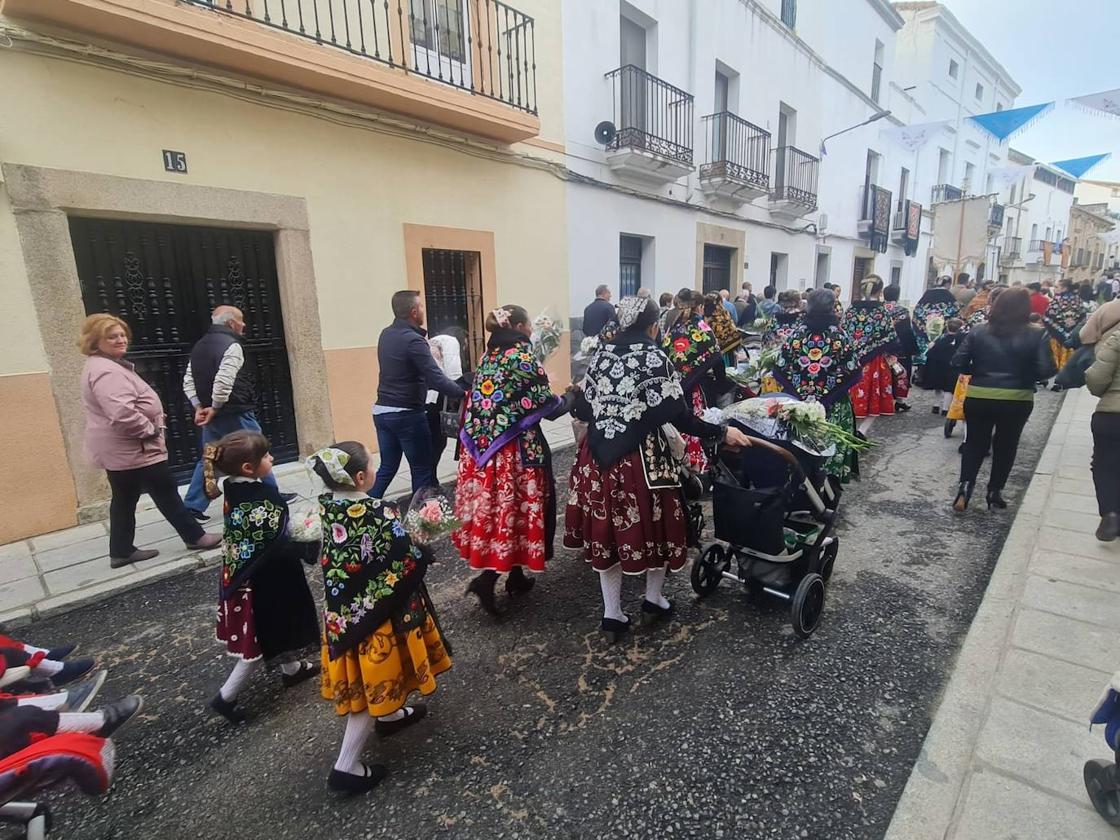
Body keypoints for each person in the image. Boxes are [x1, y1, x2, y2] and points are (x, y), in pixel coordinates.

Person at [564, 298, 751, 642]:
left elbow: (587, 411)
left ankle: (613, 614)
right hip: (642, 458)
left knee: (608, 531)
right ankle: (653, 599)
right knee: (658, 527)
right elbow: (678, 415)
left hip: (598, 459)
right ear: (653, 326)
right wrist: (721, 432)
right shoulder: (654, 357)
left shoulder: (602, 354)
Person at [308, 442, 450, 795]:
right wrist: (427, 533)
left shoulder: (328, 508)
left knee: (376, 672)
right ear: (360, 477)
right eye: (371, 466)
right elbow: (405, 551)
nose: (374, 471)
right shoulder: (378, 511)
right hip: (377, 616)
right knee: (376, 674)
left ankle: (389, 716)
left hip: (343, 611)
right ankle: (346, 767)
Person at [453, 306, 575, 616]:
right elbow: (547, 405)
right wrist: (572, 398)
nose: (533, 330)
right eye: (529, 324)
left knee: (501, 514)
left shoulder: (489, 355)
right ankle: (488, 579)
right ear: (520, 326)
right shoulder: (521, 356)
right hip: (513, 452)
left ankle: (516, 576)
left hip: (482, 451)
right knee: (515, 512)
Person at [79, 314, 220, 567]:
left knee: (124, 496)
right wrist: (149, 430)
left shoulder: (105, 365)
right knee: (165, 490)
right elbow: (121, 412)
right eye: (112, 336)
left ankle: (121, 550)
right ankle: (196, 537)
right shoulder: (106, 371)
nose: (121, 339)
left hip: (122, 449)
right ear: (95, 341)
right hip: (135, 446)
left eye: (122, 334)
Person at [204, 431, 320, 725]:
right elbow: (275, 543)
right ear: (248, 467)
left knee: (279, 626)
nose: (272, 458)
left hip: (251, 575)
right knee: (258, 643)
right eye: (267, 456)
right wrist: (308, 538)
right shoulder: (259, 499)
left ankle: (292, 669)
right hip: (260, 582)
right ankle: (225, 697)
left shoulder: (232, 486)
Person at [950, 287, 1056, 512]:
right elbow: (1047, 370)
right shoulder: (1037, 333)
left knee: (974, 444)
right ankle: (994, 491)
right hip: (1017, 399)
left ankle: (965, 488)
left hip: (979, 395)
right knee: (1006, 445)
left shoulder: (979, 331)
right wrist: (1024, 376)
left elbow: (958, 361)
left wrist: (978, 371)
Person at [183, 306, 287, 520]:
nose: (244, 325)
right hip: (236, 411)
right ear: (231, 323)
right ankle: (273, 494)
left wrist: (199, 408)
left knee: (209, 457)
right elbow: (224, 380)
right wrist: (216, 405)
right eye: (241, 320)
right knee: (258, 450)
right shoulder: (232, 345)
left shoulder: (199, 346)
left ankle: (193, 505)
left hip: (212, 414)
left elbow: (188, 380)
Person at [370, 291, 468, 499]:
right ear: (413, 312)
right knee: (422, 470)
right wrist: (463, 393)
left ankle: (362, 511)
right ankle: (421, 523)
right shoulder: (414, 341)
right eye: (421, 307)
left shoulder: (385, 334)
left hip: (382, 411)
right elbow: (435, 378)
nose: (424, 310)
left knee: (387, 467)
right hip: (407, 414)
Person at [772, 289, 863, 482]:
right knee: (831, 445)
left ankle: (801, 484)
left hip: (798, 406)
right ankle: (830, 487)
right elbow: (852, 369)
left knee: (800, 444)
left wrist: (801, 392)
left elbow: (781, 366)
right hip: (833, 406)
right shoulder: (840, 336)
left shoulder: (797, 334)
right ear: (831, 307)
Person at [662, 290, 727, 472]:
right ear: (699, 307)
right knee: (697, 420)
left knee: (679, 419)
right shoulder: (701, 328)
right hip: (698, 386)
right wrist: (722, 383)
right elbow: (717, 357)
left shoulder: (671, 328)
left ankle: (678, 458)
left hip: (674, 386)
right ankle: (699, 464)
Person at [842, 276, 898, 418]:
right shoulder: (881, 311)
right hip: (874, 356)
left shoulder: (851, 309)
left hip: (852, 356)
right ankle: (867, 410)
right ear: (879, 291)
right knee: (870, 383)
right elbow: (889, 335)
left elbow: (842, 330)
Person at [1087, 327, 1120, 541]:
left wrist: (1103, 392)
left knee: (1105, 465)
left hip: (1113, 414)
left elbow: (1096, 376)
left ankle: (1110, 513)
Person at [426, 327, 467, 465]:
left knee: (429, 442)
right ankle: (431, 480)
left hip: (422, 397)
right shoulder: (451, 341)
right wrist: (461, 392)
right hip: (435, 397)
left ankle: (429, 480)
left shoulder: (431, 342)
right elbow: (453, 374)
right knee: (438, 441)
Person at [883, 285, 918, 412]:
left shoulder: (879, 309)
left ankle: (883, 397)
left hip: (881, 348)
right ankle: (899, 401)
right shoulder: (902, 311)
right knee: (901, 373)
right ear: (897, 295)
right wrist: (912, 348)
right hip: (900, 348)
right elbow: (907, 332)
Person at [1041, 277, 1088, 373]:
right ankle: (1064, 377)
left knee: (1055, 357)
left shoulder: (1057, 300)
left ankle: (1056, 375)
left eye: (1057, 287)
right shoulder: (1078, 300)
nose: (1054, 289)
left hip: (1057, 334)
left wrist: (1058, 329)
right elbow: (1083, 316)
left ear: (1064, 288)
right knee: (1069, 358)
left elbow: (1047, 317)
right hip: (1073, 335)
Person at [913, 278, 962, 368]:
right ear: (948, 285)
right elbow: (956, 318)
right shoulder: (950, 299)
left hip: (924, 337)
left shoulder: (926, 296)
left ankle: (919, 373)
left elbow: (916, 316)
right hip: (942, 347)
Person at [925, 318, 966, 416]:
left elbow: (932, 351)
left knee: (938, 386)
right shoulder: (962, 338)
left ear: (947, 327)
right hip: (951, 366)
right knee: (948, 388)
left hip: (938, 365)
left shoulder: (941, 338)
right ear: (960, 328)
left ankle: (936, 405)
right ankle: (945, 409)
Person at [704, 293, 744, 368]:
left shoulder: (704, 315)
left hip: (711, 350)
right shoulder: (724, 313)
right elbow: (732, 327)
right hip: (728, 349)